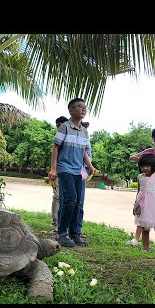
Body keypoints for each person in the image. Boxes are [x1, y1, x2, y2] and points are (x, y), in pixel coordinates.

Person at [48, 98, 97, 247]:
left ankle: (75, 234)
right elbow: (55, 147)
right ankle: (61, 233)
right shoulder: (64, 127)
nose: (83, 109)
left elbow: (83, 153)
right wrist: (54, 168)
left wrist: (91, 167)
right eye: (79, 107)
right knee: (70, 200)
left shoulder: (84, 132)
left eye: (84, 107)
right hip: (64, 169)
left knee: (78, 203)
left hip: (78, 171)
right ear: (71, 110)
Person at [50, 116, 69, 227]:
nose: (58, 128)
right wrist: (53, 169)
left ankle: (63, 220)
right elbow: (55, 155)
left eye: (59, 125)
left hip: (69, 171)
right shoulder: (58, 138)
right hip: (58, 171)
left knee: (66, 197)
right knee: (57, 196)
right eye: (57, 126)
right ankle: (55, 219)